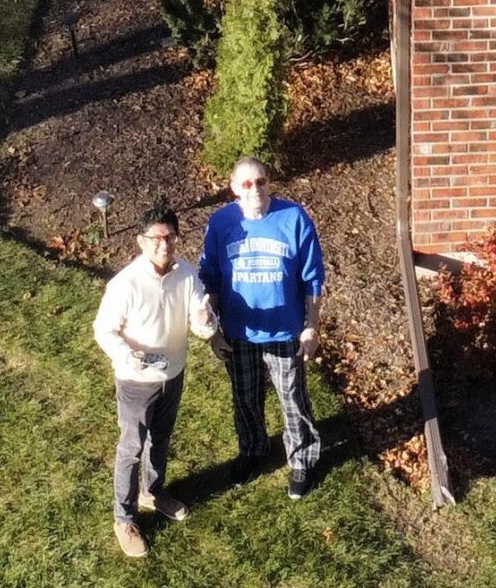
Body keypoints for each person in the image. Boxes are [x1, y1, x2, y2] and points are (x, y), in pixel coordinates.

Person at [93, 202, 220, 560]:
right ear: (141, 241)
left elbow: (201, 328)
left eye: (171, 236)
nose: (164, 245)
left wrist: (205, 320)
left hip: (173, 375)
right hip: (136, 381)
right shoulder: (125, 284)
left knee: (161, 438)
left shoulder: (188, 276)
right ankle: (124, 518)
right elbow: (103, 330)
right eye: (156, 238)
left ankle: (153, 491)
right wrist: (124, 354)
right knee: (131, 447)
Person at [199, 156, 327, 498]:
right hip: (239, 333)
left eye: (261, 181)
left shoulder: (294, 218)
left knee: (293, 399)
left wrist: (311, 326)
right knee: (245, 398)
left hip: (285, 333)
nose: (255, 189)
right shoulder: (220, 223)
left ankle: (302, 459)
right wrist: (213, 332)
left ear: (269, 182)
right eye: (246, 183)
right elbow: (209, 280)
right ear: (233, 189)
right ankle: (254, 450)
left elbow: (313, 279)